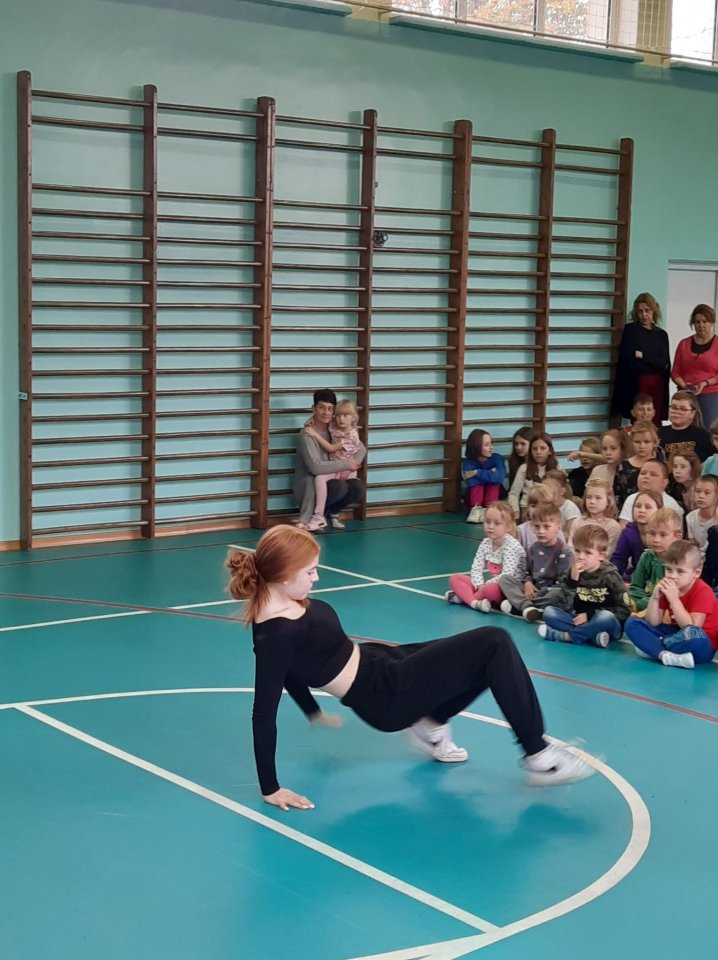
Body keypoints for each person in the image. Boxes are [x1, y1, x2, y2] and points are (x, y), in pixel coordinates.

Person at [227, 525, 594, 809]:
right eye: (310, 572)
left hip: (382, 662)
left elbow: (293, 669)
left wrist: (312, 711)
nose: (316, 578)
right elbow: (263, 711)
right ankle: (539, 755)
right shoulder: (274, 633)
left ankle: (430, 723)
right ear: (285, 574)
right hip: (385, 695)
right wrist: (270, 788)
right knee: (494, 643)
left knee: (483, 659)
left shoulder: (285, 600)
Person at [624, 540, 718, 669]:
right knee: (632, 622)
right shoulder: (667, 587)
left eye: (680, 571)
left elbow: (692, 626)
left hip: (701, 645)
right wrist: (655, 598)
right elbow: (653, 622)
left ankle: (653, 648)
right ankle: (664, 655)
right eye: (668, 569)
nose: (672, 576)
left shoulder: (703, 591)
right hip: (676, 636)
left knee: (692, 633)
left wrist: (674, 600)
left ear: (696, 573)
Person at [538, 524, 631, 648]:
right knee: (549, 613)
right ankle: (592, 637)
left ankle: (567, 637)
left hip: (607, 624)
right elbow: (563, 607)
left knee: (605, 617)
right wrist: (572, 581)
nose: (581, 556)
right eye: (577, 551)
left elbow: (625, 610)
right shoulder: (572, 572)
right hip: (579, 620)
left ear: (601, 555)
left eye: (588, 552)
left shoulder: (611, 575)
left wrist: (590, 615)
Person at [293, 389, 365, 530]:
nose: (326, 412)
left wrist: (351, 466)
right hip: (309, 488)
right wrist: (345, 464)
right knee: (338, 486)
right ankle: (312, 516)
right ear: (313, 408)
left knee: (357, 487)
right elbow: (315, 468)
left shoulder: (335, 428)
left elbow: (361, 448)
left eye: (330, 409)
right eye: (321, 408)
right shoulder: (307, 434)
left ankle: (329, 514)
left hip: (330, 479)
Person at [498, 503, 572, 622]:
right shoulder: (534, 548)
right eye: (537, 527)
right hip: (533, 589)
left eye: (546, 527)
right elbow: (527, 571)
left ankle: (521, 606)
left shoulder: (564, 552)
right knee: (504, 579)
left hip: (549, 592)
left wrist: (540, 593)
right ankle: (529, 608)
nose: (540, 531)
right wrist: (528, 583)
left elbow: (562, 583)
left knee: (559, 593)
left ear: (558, 528)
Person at [446, 502, 526, 612]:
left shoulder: (512, 546)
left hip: (507, 590)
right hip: (486, 586)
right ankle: (474, 603)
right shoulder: (485, 543)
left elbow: (506, 575)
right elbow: (476, 567)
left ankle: (464, 598)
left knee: (491, 589)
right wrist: (479, 584)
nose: (490, 526)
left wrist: (485, 585)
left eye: (497, 523)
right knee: (455, 578)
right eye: (487, 522)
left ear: (508, 527)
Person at [611, 293, 670, 426]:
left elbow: (663, 363)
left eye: (647, 310)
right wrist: (652, 361)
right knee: (639, 420)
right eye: (640, 311)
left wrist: (643, 356)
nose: (644, 315)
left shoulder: (661, 335)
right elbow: (628, 360)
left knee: (655, 422)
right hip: (637, 383)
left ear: (654, 310)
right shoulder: (631, 331)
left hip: (657, 384)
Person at [671, 304, 718, 428]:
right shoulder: (684, 344)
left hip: (710, 395)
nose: (701, 325)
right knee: (683, 429)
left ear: (711, 323)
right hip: (686, 395)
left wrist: (705, 383)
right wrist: (684, 386)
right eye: (697, 322)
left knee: (707, 430)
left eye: (705, 321)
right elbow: (675, 372)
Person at [628, 508, 683, 614]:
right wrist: (639, 602)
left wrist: (642, 604)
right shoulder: (646, 557)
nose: (656, 540)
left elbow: (670, 596)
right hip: (644, 604)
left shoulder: (680, 562)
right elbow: (635, 587)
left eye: (663, 535)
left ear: (677, 537)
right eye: (652, 533)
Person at [610, 490, 662, 580]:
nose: (641, 510)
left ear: (659, 511)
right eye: (638, 506)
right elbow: (618, 560)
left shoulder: (665, 533)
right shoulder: (628, 533)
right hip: (636, 577)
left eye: (648, 507)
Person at [619, 459, 685, 527]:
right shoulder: (631, 498)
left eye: (653, 474)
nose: (646, 476)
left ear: (664, 483)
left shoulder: (671, 505)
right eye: (643, 473)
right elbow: (624, 527)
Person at [461, 428, 507, 524]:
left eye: (491, 444)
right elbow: (471, 481)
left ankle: (490, 509)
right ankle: (476, 509)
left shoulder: (497, 458)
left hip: (496, 496)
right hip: (474, 498)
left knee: (494, 484)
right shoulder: (468, 463)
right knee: (477, 485)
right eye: (486, 445)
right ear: (476, 447)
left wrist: (477, 472)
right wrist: (490, 473)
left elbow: (499, 478)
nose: (491, 447)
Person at [508, 432, 557, 519]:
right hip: (527, 512)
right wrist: (516, 512)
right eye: (534, 449)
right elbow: (513, 494)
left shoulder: (557, 468)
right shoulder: (524, 468)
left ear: (550, 451)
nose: (538, 452)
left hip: (549, 511)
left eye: (542, 448)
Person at [569, 477, 622, 556]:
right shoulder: (577, 522)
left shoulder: (612, 526)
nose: (592, 502)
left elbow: (608, 553)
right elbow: (570, 548)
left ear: (608, 501)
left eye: (598, 498)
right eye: (589, 497)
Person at [613, 420, 658, 510]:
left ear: (654, 443)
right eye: (637, 442)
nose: (642, 446)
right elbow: (617, 492)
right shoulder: (623, 466)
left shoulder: (659, 466)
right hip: (626, 511)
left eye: (646, 442)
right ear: (631, 442)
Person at [659, 390, 712, 462]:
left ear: (692, 413)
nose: (677, 412)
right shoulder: (659, 433)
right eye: (674, 407)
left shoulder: (703, 436)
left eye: (683, 409)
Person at [517, 483, 559, 551]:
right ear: (528, 508)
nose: (537, 510)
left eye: (543, 506)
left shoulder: (555, 529)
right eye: (533, 506)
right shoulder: (521, 531)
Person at [543, 469, 581, 539]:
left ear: (562, 491)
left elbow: (571, 534)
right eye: (543, 489)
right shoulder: (542, 506)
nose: (545, 492)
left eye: (549, 489)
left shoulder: (570, 508)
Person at [685, 475, 718, 556]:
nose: (701, 496)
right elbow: (693, 545)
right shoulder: (690, 517)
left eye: (707, 493)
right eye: (697, 491)